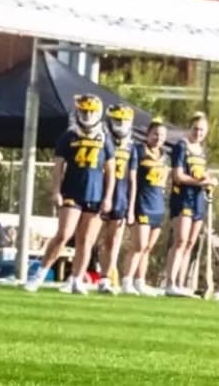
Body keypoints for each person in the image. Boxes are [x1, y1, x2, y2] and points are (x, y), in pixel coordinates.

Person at [22, 94, 113, 294]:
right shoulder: (69, 135)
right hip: (72, 190)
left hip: (95, 193)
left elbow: (111, 171)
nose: (87, 115)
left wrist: (108, 197)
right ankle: (39, 274)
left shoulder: (105, 137)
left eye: (91, 111)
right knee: (63, 234)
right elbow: (58, 166)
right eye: (84, 111)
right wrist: (56, 190)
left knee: (87, 239)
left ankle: (76, 278)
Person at [163, 112, 212, 297]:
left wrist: (208, 180)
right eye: (196, 129)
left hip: (198, 199)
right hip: (183, 198)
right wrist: (199, 182)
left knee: (191, 242)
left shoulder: (202, 150)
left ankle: (181, 283)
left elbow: (203, 172)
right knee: (181, 240)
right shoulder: (182, 147)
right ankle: (171, 282)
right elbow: (178, 175)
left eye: (202, 130)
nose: (198, 133)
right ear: (189, 128)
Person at [122, 115, 169, 296]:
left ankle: (140, 281)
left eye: (162, 136)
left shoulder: (164, 156)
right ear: (148, 134)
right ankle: (127, 280)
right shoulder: (138, 150)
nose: (159, 138)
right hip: (142, 203)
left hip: (157, 205)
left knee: (148, 247)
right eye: (156, 134)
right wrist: (131, 208)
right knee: (138, 245)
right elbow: (132, 179)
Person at [95, 105, 136, 295]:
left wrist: (131, 208)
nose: (121, 125)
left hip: (120, 196)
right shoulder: (102, 140)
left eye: (124, 121)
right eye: (117, 120)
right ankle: (79, 275)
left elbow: (132, 179)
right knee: (93, 238)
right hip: (99, 195)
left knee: (113, 240)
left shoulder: (130, 146)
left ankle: (106, 277)